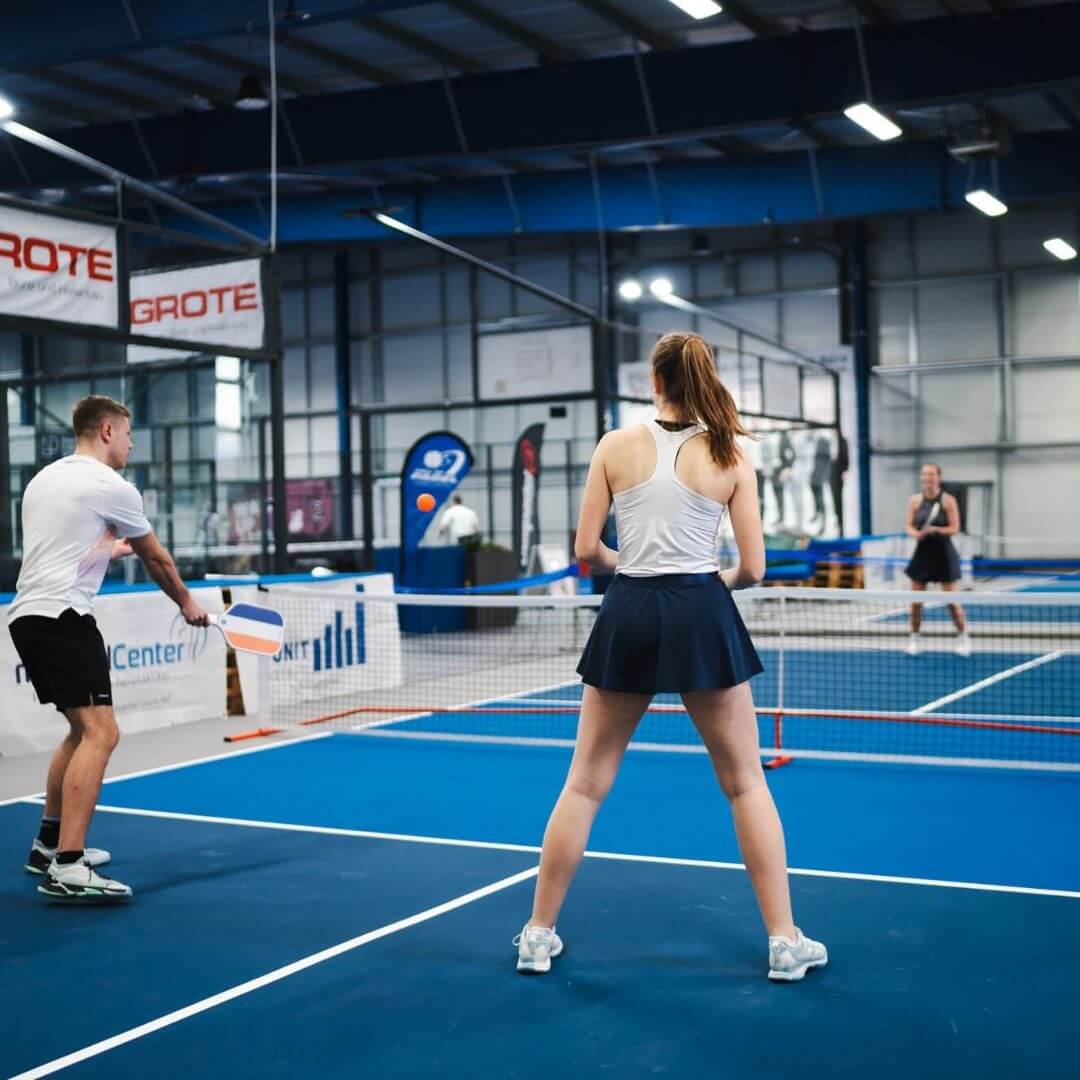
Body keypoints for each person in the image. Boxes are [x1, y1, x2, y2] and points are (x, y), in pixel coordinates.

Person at [514, 332, 827, 982]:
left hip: (628, 610)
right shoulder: (731, 453)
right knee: (745, 781)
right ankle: (783, 942)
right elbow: (755, 568)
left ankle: (537, 935)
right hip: (700, 610)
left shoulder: (614, 446)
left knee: (584, 783)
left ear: (653, 382)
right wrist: (707, 582)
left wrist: (628, 564)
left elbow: (584, 550)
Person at [7, 395, 209, 903]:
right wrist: (187, 602)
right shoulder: (112, 486)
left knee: (80, 729)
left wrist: (105, 548)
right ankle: (70, 866)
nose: (131, 443)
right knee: (103, 730)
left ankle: (48, 846)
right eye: (126, 433)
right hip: (65, 618)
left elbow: (60, 545)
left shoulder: (44, 480)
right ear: (105, 431)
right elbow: (157, 558)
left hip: (29, 615)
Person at [904, 463, 970, 656]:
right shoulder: (915, 501)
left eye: (931, 474)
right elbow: (908, 526)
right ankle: (914, 637)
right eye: (924, 474)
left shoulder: (948, 501)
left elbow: (955, 528)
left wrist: (937, 530)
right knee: (916, 601)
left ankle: (963, 636)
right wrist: (916, 534)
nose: (927, 478)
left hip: (943, 553)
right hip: (922, 554)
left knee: (951, 600)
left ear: (938, 477)